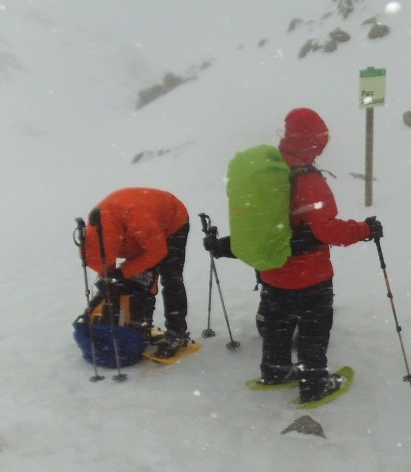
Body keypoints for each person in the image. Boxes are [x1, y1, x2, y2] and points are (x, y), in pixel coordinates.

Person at [206, 108, 382, 403]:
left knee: (278, 323)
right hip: (310, 273)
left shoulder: (269, 170)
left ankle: (275, 372)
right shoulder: (307, 178)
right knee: (314, 330)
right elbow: (327, 230)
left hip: (274, 268)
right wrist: (364, 229)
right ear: (314, 141)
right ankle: (314, 386)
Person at [83, 187, 192, 359]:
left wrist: (122, 272)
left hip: (172, 221)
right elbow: (99, 255)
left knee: (171, 278)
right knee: (139, 280)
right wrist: (108, 277)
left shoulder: (139, 222)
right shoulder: (97, 230)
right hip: (134, 229)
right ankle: (140, 325)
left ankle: (176, 333)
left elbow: (157, 252)